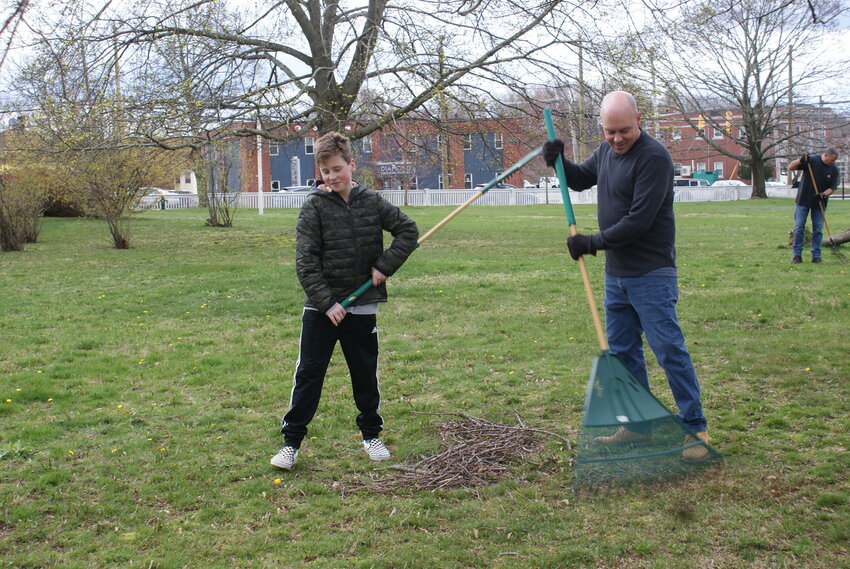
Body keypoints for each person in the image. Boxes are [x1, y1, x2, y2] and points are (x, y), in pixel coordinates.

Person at [543, 90, 710, 462]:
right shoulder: (606, 152)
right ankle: (637, 426)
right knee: (623, 353)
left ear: (639, 122)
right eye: (609, 132)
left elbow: (638, 221)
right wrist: (557, 161)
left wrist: (591, 242)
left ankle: (695, 427)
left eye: (624, 131)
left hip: (652, 272)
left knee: (668, 349)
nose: (617, 139)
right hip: (616, 275)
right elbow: (582, 179)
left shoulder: (654, 158)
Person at [271, 132, 419, 471]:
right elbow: (305, 262)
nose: (332, 177)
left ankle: (371, 436)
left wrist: (385, 266)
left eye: (337, 169)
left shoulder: (371, 201)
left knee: (364, 373)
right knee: (309, 374)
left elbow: (407, 231)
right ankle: (291, 443)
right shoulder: (314, 206)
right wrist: (327, 303)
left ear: (352, 165)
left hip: (362, 304)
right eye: (325, 172)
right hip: (322, 309)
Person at [787, 148, 839, 264]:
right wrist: (800, 161)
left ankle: (816, 256)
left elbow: (832, 187)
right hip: (803, 200)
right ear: (825, 155)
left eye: (834, 161)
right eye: (832, 160)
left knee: (818, 230)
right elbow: (791, 167)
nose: (833, 163)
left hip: (819, 203)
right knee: (799, 227)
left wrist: (823, 195)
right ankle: (797, 256)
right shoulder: (812, 160)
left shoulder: (834, 169)